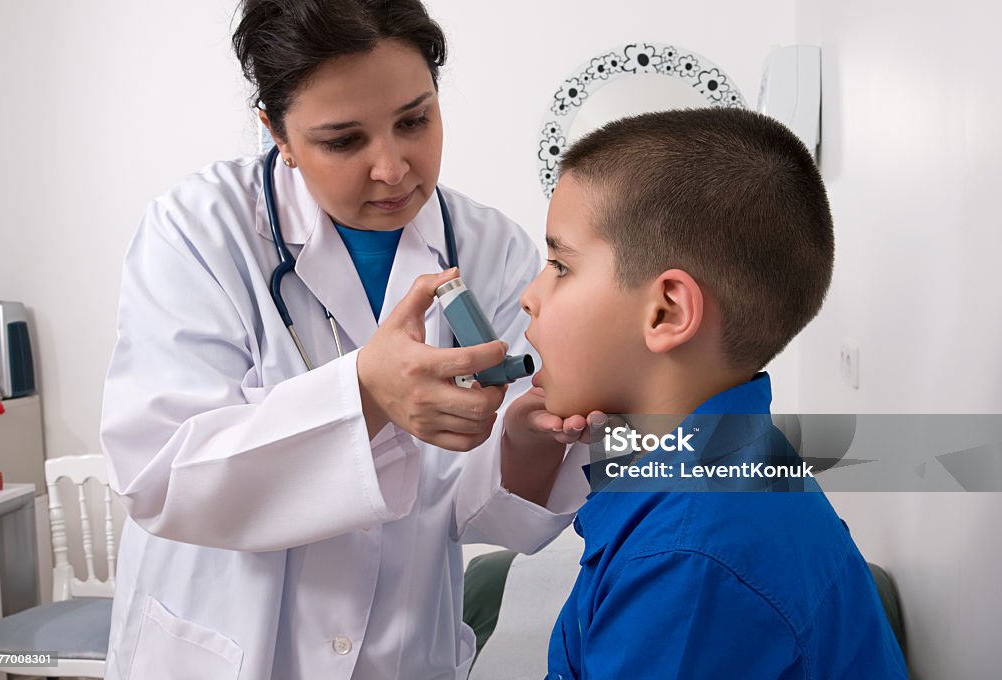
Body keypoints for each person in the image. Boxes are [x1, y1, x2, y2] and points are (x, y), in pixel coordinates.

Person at [99, 1, 590, 678]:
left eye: (415, 120)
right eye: (342, 141)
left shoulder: (489, 247)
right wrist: (364, 392)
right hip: (229, 648)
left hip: (403, 649)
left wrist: (527, 441)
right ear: (278, 133)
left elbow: (486, 513)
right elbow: (158, 477)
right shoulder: (199, 231)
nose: (391, 168)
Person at [503, 109, 909, 677]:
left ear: (666, 311)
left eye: (560, 266)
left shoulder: (689, 562)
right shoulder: (725, 463)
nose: (530, 296)